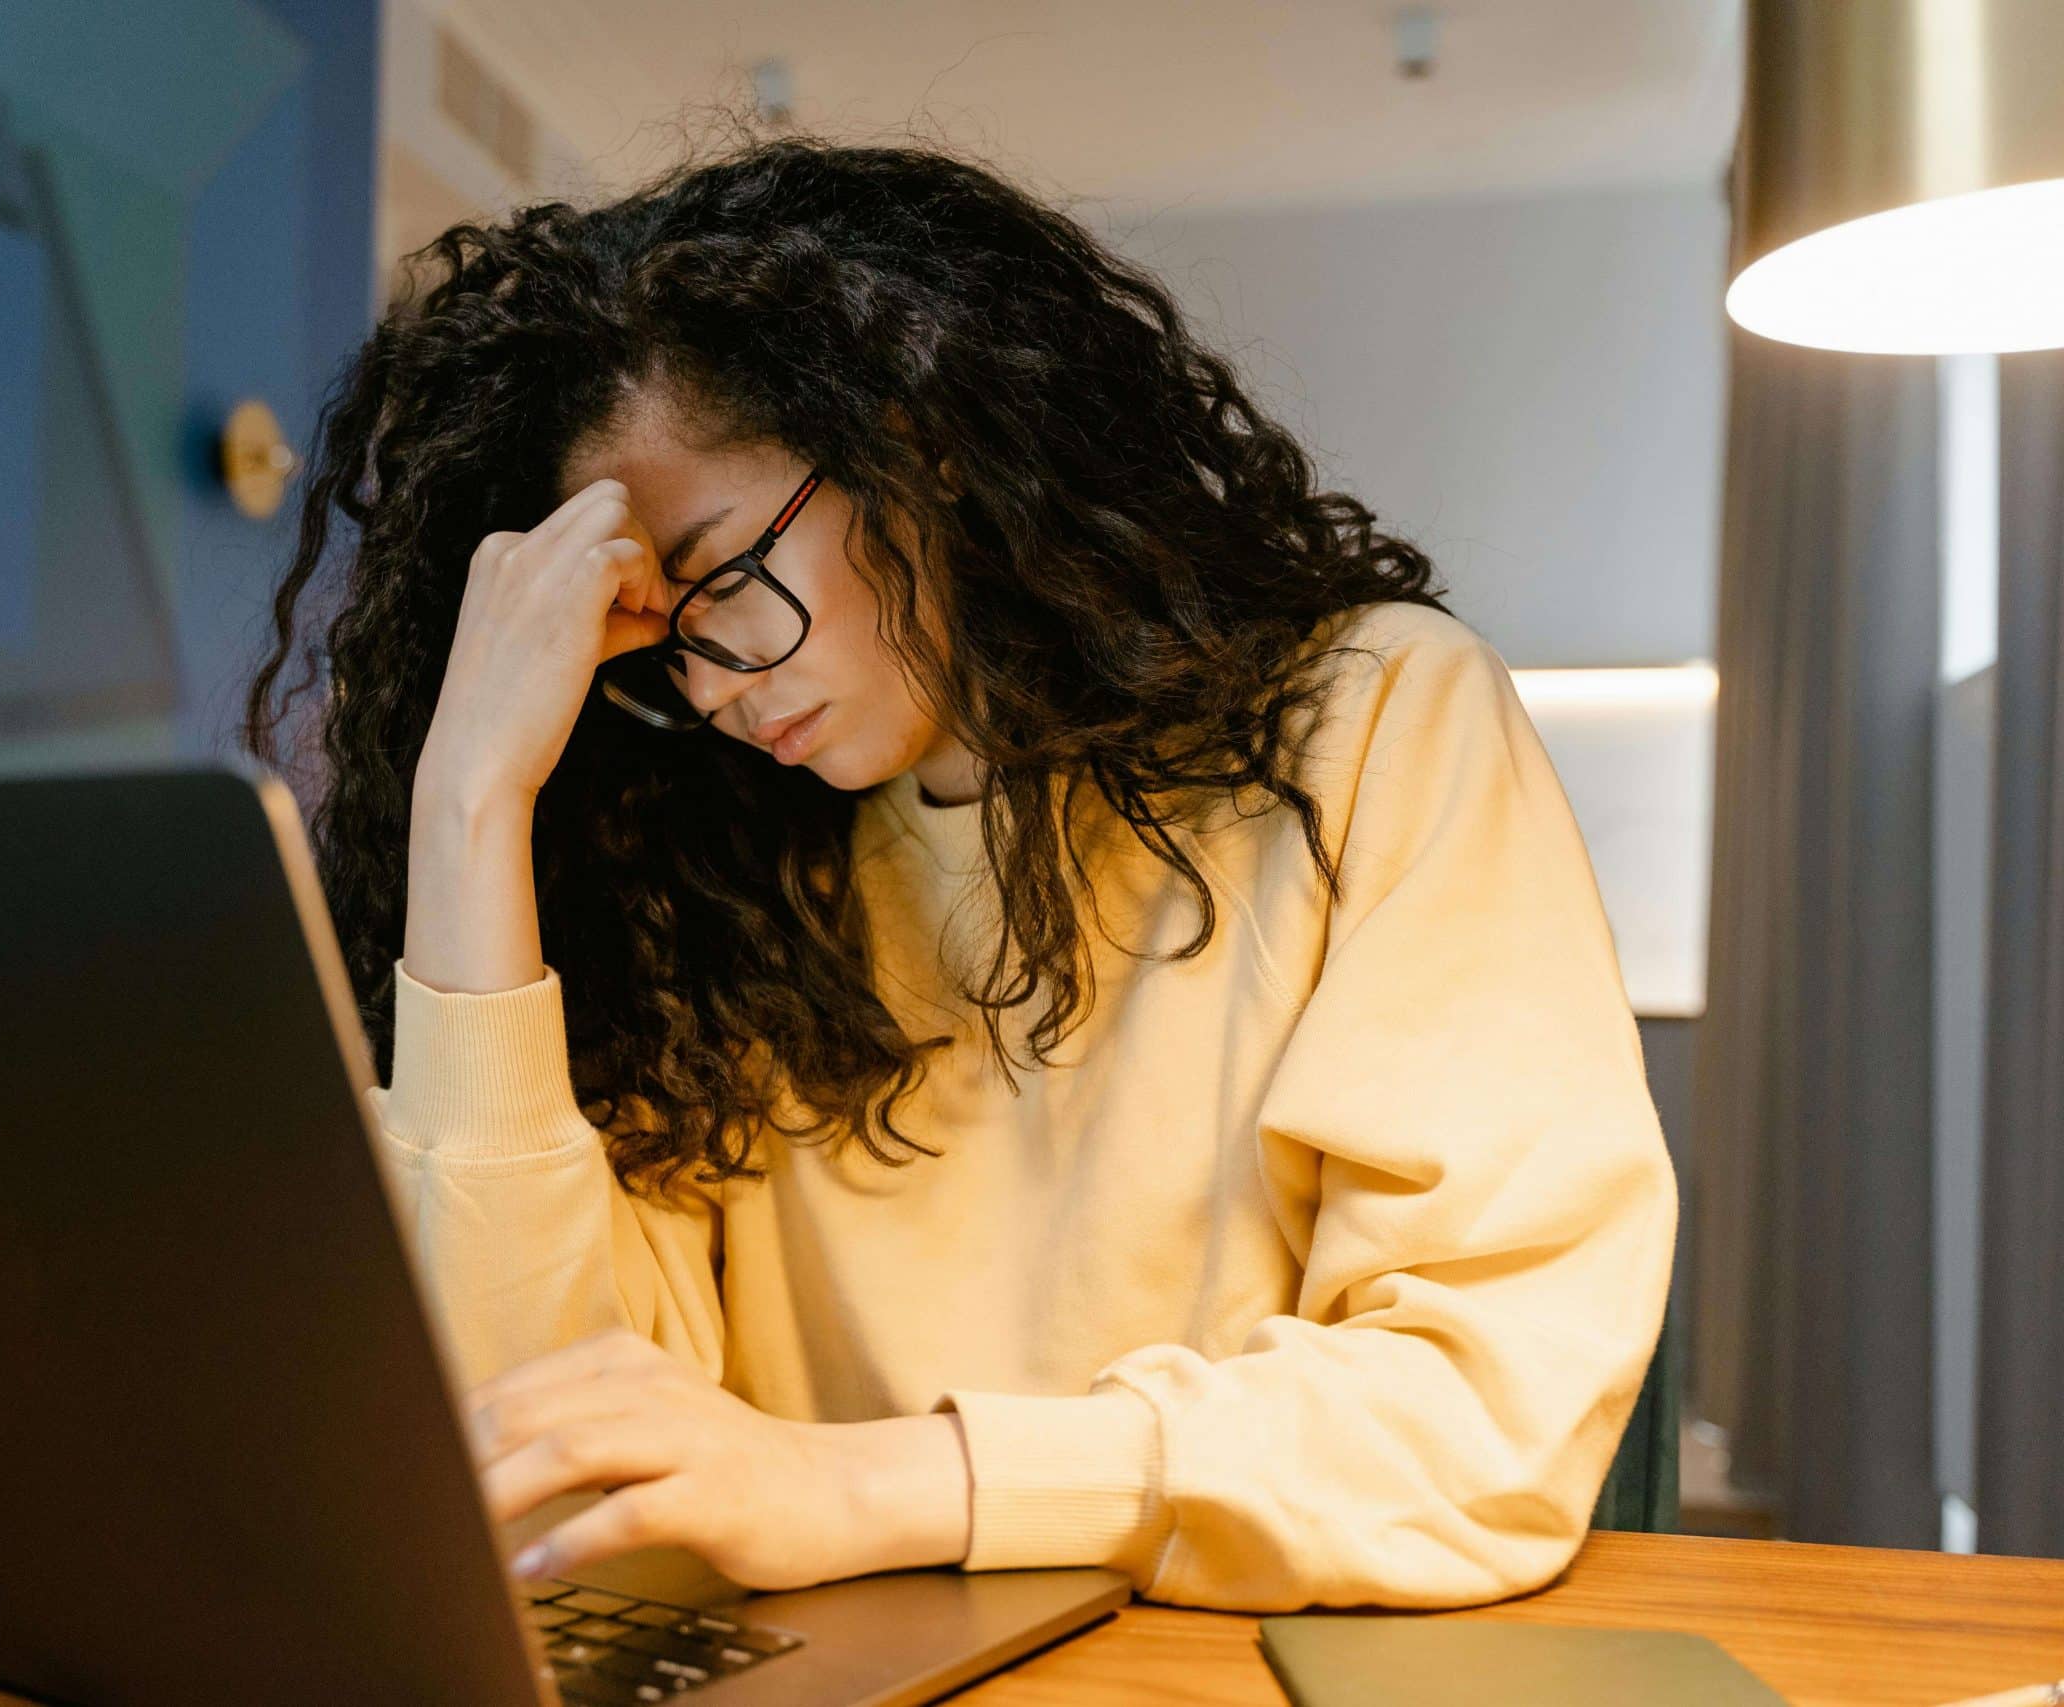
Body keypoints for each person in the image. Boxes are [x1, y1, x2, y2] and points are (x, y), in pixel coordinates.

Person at [241, 137, 1677, 1614]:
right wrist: (472, 802)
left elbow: (1479, 1413)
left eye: (724, 577)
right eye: (659, 638)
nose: (715, 684)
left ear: (916, 444)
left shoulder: (1372, 722)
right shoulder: (708, 862)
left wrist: (857, 1487)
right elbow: (545, 1467)